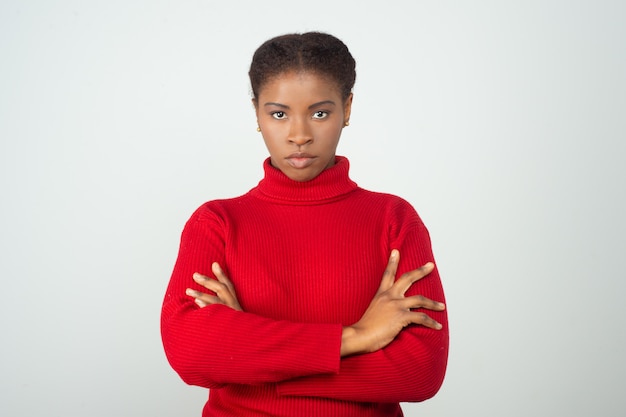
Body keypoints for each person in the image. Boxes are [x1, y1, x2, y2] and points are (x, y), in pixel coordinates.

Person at [161, 32, 449, 417]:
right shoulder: (217, 223)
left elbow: (420, 372)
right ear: (257, 114)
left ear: (347, 108)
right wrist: (356, 337)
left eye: (320, 113)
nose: (299, 135)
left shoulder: (394, 220)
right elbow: (190, 353)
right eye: (279, 114)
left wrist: (253, 355)